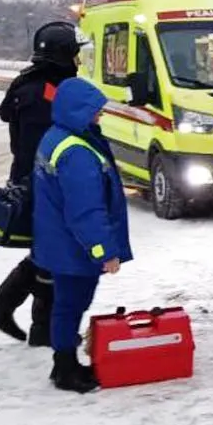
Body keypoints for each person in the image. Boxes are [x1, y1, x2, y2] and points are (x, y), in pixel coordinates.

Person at [0, 22, 82, 347]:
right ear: (62, 55)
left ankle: (7, 310)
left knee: (47, 253)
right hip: (44, 183)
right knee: (56, 254)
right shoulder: (43, 94)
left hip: (37, 180)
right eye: (75, 54)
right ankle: (41, 327)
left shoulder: (35, 84)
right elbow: (44, 146)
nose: (78, 60)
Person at [31, 77, 133, 392]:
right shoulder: (77, 153)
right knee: (71, 304)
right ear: (78, 111)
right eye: (95, 111)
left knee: (66, 303)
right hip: (73, 246)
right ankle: (65, 368)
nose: (99, 116)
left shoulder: (57, 137)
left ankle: (64, 362)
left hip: (58, 240)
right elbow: (85, 210)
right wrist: (104, 251)